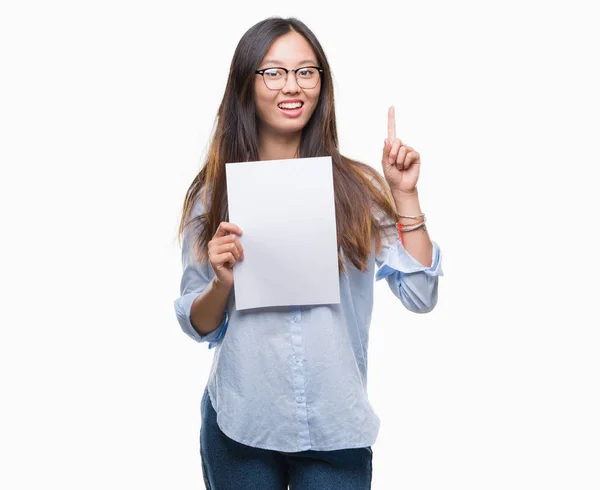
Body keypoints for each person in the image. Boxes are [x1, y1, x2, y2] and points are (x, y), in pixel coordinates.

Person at [173, 16, 443, 490]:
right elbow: (199, 326)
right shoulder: (214, 193)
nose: (291, 86)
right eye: (273, 72)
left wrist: (405, 195)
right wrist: (221, 283)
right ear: (246, 83)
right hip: (242, 423)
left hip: (334, 429)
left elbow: (421, 293)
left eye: (306, 71)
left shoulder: (355, 188)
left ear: (322, 82)